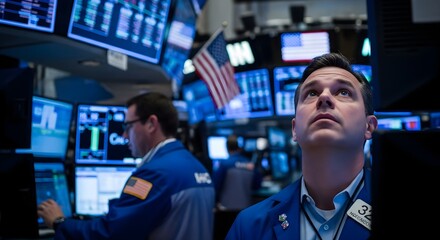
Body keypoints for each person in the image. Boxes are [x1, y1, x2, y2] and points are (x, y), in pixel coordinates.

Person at [226, 53, 378, 240]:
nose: (324, 97)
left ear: (368, 126)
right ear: (295, 129)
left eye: (343, 92)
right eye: (312, 93)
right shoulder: (249, 227)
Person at [38, 92, 215, 240]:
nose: (123, 135)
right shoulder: (196, 167)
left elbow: (111, 233)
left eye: (128, 126)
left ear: (151, 124)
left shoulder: (155, 174)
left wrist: (60, 222)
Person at [213, 134, 262, 211]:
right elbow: (257, 186)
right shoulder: (250, 164)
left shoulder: (224, 165)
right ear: (239, 148)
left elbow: (216, 187)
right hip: (246, 209)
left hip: (226, 210)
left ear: (227, 148)